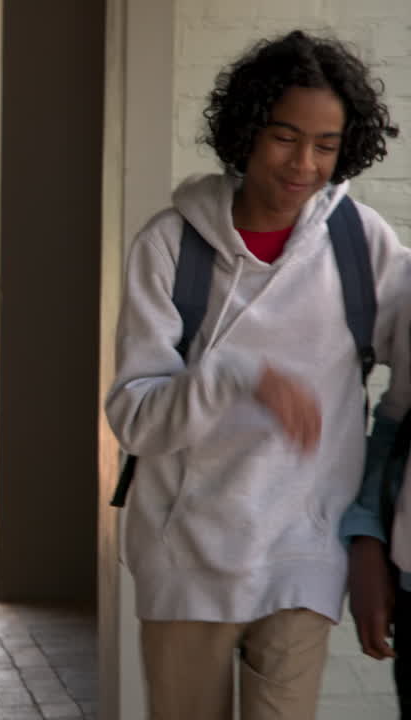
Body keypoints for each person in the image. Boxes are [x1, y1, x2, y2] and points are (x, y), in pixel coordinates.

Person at [104, 29, 405, 719]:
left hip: (306, 547)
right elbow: (134, 417)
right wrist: (235, 375)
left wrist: (371, 532)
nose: (304, 164)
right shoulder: (171, 245)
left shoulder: (361, 245)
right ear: (246, 130)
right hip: (188, 555)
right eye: (285, 137)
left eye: (326, 146)